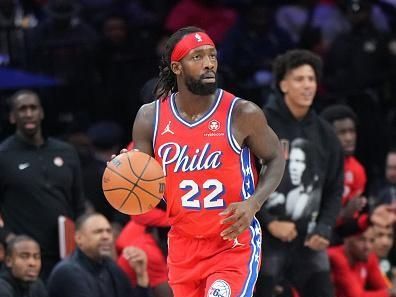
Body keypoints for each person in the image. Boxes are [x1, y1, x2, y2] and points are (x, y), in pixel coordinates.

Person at [119, 26, 285, 297]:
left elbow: (275, 157)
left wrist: (254, 203)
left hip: (231, 243)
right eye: (197, 57)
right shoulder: (150, 118)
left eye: (212, 56)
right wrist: (125, 173)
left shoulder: (241, 113)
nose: (209, 64)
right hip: (183, 245)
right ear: (177, 67)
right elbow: (143, 182)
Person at [255, 49, 344, 297]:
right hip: (264, 239)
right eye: (299, 79)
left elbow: (335, 187)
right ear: (283, 84)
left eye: (311, 79)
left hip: (308, 241)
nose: (307, 86)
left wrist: (324, 227)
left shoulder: (326, 134)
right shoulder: (260, 125)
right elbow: (241, 181)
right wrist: (270, 222)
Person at [0, 90, 86, 279]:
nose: (29, 113)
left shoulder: (67, 152)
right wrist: (9, 238)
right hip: (26, 258)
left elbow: (79, 204)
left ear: (42, 113)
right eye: (22, 109)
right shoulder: (3, 156)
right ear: (13, 117)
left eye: (33, 108)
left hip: (68, 254)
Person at [47, 212, 150, 297]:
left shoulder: (111, 267)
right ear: (79, 238)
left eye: (108, 231)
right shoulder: (68, 271)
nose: (106, 236)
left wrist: (141, 276)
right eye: (98, 232)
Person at [321, 104, 368, 243]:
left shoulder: (357, 170)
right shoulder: (315, 165)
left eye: (352, 131)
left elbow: (348, 225)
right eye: (342, 132)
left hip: (336, 237)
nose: (349, 137)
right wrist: (344, 213)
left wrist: (370, 219)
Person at [328, 227, 396, 297]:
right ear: (347, 239)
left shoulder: (367, 257)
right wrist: (390, 293)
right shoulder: (335, 257)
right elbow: (357, 296)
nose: (368, 246)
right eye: (362, 239)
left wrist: (391, 292)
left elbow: (383, 287)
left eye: (372, 241)